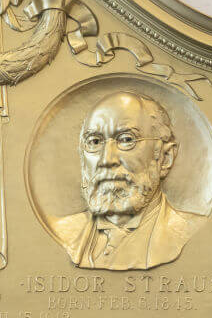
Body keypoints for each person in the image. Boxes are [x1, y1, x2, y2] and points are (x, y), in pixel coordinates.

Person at [48, 91, 203, 270]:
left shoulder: (191, 231)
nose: (106, 160)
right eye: (95, 142)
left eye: (126, 140)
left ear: (165, 157)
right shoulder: (61, 232)